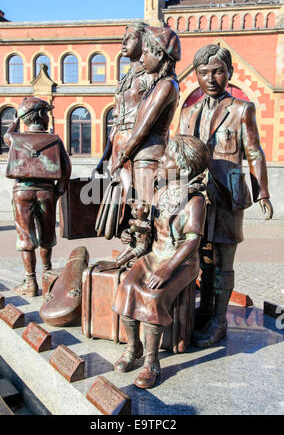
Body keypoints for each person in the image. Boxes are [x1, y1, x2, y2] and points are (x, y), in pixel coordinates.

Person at [178, 44, 273, 347]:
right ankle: (204, 313)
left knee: (223, 261)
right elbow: (178, 152)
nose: (211, 78)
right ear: (196, 75)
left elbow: (254, 151)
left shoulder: (242, 109)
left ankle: (219, 322)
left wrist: (263, 193)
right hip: (196, 197)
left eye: (218, 71)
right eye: (203, 72)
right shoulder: (189, 111)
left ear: (229, 72)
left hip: (227, 195)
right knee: (200, 258)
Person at [112, 135, 209, 389]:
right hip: (154, 255)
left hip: (181, 263)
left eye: (167, 158)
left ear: (184, 169)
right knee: (127, 286)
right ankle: (134, 348)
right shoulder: (161, 191)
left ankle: (152, 362)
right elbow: (150, 231)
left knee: (153, 296)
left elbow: (191, 243)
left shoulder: (195, 201)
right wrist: (133, 233)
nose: (161, 160)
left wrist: (168, 268)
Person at [4, 97, 71, 297]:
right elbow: (66, 167)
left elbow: (7, 135)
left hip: (22, 192)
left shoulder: (15, 139)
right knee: (46, 235)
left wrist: (15, 120)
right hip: (46, 192)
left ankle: (30, 281)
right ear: (41, 116)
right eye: (47, 114)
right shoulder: (54, 140)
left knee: (25, 238)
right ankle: (47, 277)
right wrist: (59, 189)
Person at [111, 26, 181, 207]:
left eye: (146, 52)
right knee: (131, 208)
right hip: (135, 152)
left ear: (159, 54)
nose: (142, 58)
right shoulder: (158, 84)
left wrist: (123, 156)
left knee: (146, 210)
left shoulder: (166, 86)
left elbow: (143, 127)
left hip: (147, 156)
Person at [95, 22, 151, 236]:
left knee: (138, 197)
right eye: (123, 38)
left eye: (130, 38)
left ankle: (140, 242)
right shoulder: (126, 77)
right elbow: (116, 119)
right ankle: (125, 240)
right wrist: (106, 155)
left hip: (139, 143)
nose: (123, 43)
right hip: (119, 142)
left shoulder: (150, 76)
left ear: (144, 42)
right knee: (120, 197)